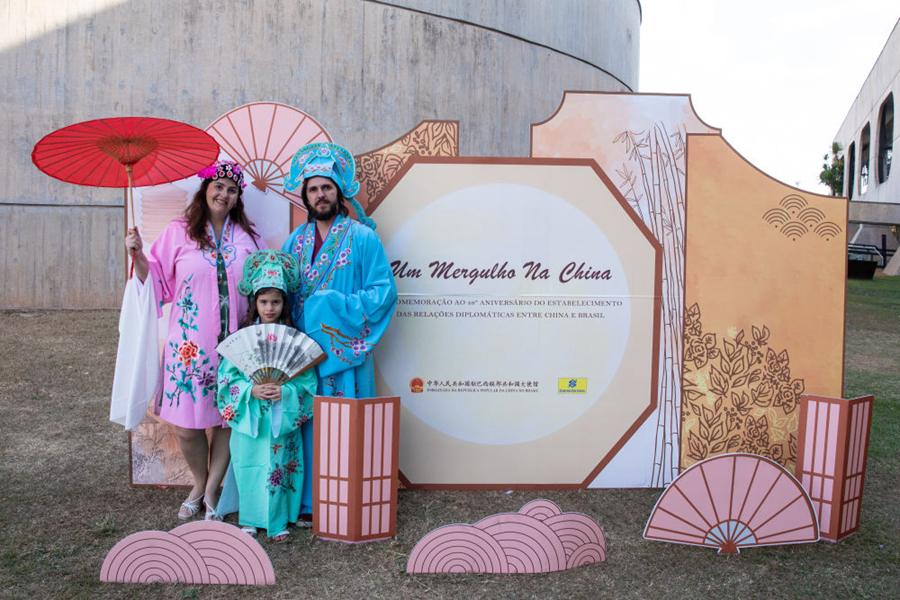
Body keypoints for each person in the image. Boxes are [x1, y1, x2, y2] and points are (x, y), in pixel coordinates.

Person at [124, 160, 263, 521]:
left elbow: (263, 283)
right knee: (187, 428)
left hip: (236, 348)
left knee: (227, 421)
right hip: (188, 348)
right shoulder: (179, 232)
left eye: (232, 190)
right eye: (218, 187)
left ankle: (213, 489)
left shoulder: (248, 238)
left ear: (237, 197)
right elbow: (156, 282)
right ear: (205, 190)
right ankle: (199, 484)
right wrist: (138, 255)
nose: (224, 194)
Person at [281, 142, 398, 523]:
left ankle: (346, 499)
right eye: (314, 189)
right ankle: (308, 503)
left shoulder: (362, 237)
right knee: (308, 423)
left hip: (345, 350)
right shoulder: (295, 242)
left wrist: (334, 305)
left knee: (346, 423)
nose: (321, 195)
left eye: (327, 187)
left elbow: (383, 292)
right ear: (305, 196)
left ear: (339, 191)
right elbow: (282, 295)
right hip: (303, 354)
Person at [216, 250, 317, 542]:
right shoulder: (242, 338)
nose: (269, 308)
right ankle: (249, 518)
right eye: (263, 302)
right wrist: (251, 390)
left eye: (275, 301)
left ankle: (278, 519)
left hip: (281, 417)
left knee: (280, 466)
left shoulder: (295, 340)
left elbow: (308, 383)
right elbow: (226, 379)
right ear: (254, 303)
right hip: (251, 416)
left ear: (284, 303)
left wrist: (286, 391)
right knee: (249, 466)